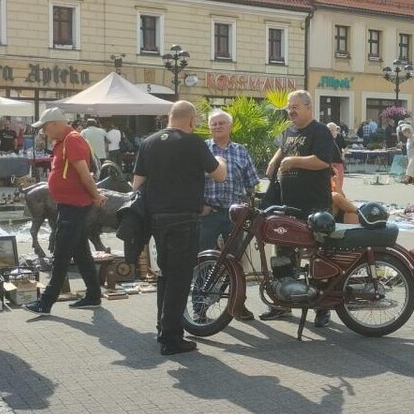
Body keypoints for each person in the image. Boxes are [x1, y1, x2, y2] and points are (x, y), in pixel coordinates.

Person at [134, 101, 227, 356]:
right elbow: (219, 175)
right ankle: (171, 339)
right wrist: (220, 160)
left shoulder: (148, 142)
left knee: (165, 274)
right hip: (184, 218)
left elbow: (137, 183)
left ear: (169, 117)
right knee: (180, 278)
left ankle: (162, 326)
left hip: (157, 219)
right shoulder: (193, 142)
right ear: (192, 120)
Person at [260, 90, 335, 326]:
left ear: (308, 107)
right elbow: (284, 147)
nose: (290, 111)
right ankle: (282, 303)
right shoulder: (288, 130)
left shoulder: (320, 131)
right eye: (289, 107)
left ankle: (323, 307)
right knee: (282, 254)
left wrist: (293, 161)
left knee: (318, 257)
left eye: (295, 107)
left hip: (314, 206)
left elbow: (323, 160)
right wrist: (276, 159)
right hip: (287, 205)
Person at [23, 108, 107, 315]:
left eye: (44, 127)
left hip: (74, 206)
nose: (43, 132)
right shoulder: (64, 141)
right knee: (81, 253)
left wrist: (96, 196)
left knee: (61, 254)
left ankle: (46, 302)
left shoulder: (72, 140)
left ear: (54, 123)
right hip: (69, 205)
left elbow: (84, 174)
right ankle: (93, 296)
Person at [200, 109, 261, 265]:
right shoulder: (202, 150)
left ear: (230, 126)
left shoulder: (241, 151)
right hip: (208, 215)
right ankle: (202, 281)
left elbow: (251, 184)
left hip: (234, 216)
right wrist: (199, 205)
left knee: (234, 260)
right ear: (209, 127)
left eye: (221, 123)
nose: (217, 126)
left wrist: (247, 208)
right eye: (213, 124)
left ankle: (233, 281)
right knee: (202, 258)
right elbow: (191, 181)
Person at [327, 122, 347, 193]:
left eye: (332, 130)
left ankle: (338, 194)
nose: (331, 131)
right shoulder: (324, 138)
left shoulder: (339, 137)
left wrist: (343, 154)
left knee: (339, 181)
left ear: (336, 130)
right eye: (329, 130)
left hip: (338, 162)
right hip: (328, 163)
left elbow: (346, 147)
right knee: (329, 182)